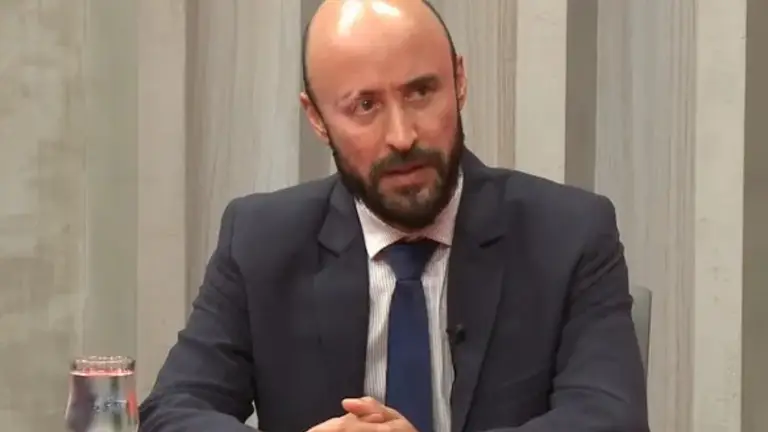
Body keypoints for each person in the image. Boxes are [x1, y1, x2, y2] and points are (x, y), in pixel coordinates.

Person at [138, 0, 649, 431]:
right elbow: (173, 412)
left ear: (460, 81)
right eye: (364, 106)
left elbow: (609, 419)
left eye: (421, 92)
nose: (402, 136)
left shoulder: (570, 235)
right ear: (317, 118)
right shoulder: (260, 242)